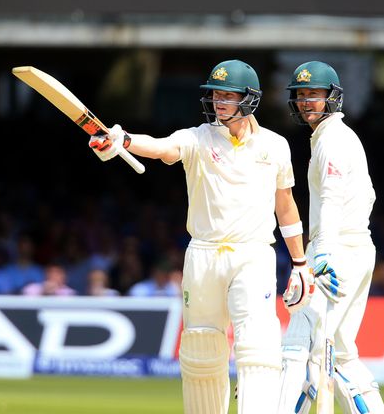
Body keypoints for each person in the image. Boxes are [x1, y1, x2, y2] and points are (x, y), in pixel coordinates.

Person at [88, 59, 307, 414]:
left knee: (259, 346)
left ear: (249, 99)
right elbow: (161, 148)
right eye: (215, 94)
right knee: (201, 347)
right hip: (203, 255)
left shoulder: (275, 145)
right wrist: (123, 140)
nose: (218, 102)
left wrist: (300, 263)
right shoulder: (198, 138)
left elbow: (286, 204)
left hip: (253, 255)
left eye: (227, 95)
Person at [277, 61, 384, 414]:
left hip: (336, 252)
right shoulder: (336, 137)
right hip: (356, 249)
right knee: (340, 353)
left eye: (314, 95)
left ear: (332, 98)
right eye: (301, 95)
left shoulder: (333, 141)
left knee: (300, 346)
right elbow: (368, 194)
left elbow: (331, 199)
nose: (307, 102)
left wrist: (322, 254)